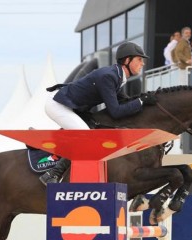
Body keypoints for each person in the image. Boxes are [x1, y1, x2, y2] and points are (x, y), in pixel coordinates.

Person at [39, 42, 157, 185]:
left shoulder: (117, 77)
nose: (142, 63)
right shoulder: (109, 76)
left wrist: (144, 100)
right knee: (86, 136)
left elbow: (125, 101)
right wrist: (141, 102)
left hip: (72, 107)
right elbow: (116, 111)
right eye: (139, 59)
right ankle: (52, 173)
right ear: (127, 60)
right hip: (58, 105)